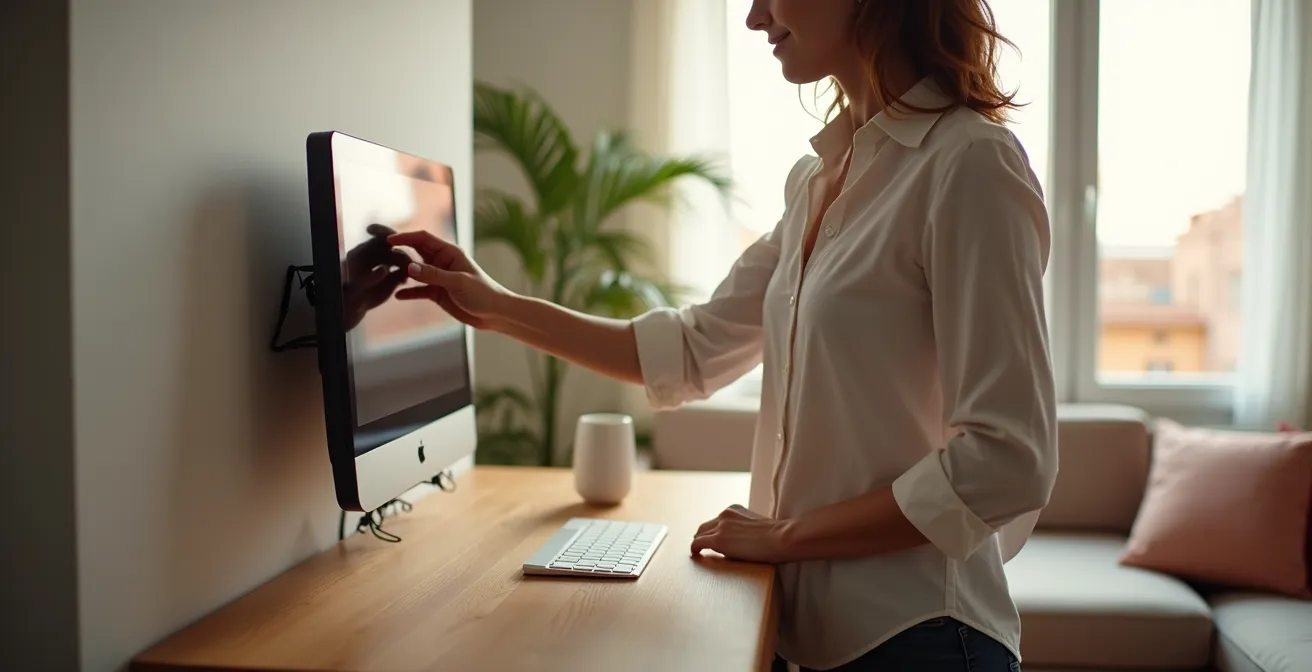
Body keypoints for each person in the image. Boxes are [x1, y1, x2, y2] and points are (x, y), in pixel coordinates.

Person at [389, 0, 1056, 669]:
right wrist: (496, 306)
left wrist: (785, 537)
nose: (755, 18)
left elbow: (1006, 461)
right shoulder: (818, 179)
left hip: (925, 639)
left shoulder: (971, 164)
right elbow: (691, 349)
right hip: (808, 635)